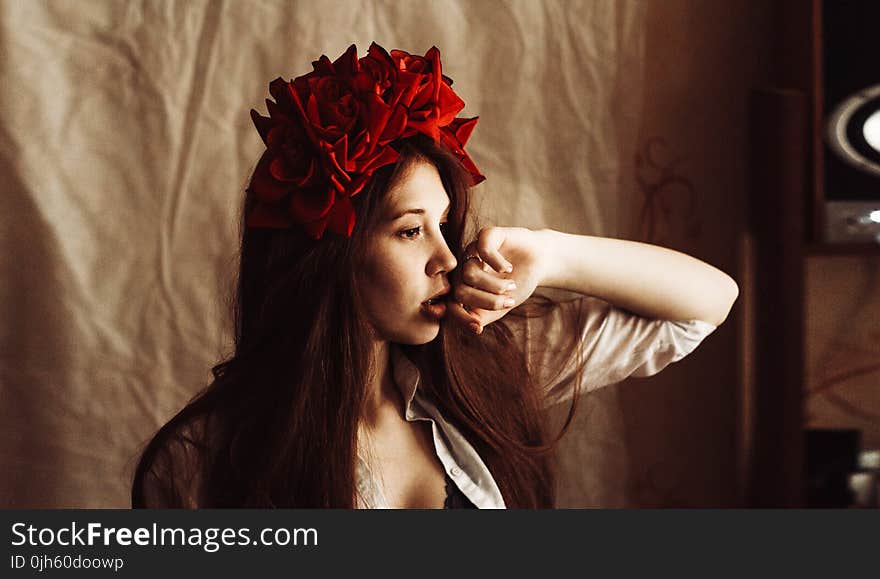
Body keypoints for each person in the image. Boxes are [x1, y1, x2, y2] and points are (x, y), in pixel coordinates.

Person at [130, 43, 738, 509]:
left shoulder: (483, 373)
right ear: (329, 257)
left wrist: (550, 255)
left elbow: (707, 302)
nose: (448, 258)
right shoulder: (203, 457)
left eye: (445, 225)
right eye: (410, 230)